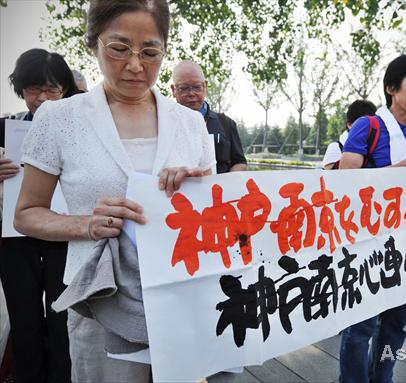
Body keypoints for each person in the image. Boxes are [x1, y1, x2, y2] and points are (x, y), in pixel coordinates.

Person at [13, 1, 215, 381]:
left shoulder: (190, 124)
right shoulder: (59, 118)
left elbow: (217, 214)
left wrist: (198, 184)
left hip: (182, 299)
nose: (136, 65)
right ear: (94, 44)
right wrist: (87, 224)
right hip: (102, 303)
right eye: (119, 48)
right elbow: (26, 213)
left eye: (151, 52)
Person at [338, 54, 406, 383]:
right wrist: (399, 172)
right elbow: (345, 178)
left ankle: (383, 377)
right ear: (392, 88)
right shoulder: (370, 126)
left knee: (396, 323)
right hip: (368, 246)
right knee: (361, 326)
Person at [0, 48, 79, 383]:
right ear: (21, 90)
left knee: (65, 321)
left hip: (63, 237)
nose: (44, 98)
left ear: (65, 90)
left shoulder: (80, 132)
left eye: (53, 89)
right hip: (15, 241)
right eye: (35, 89)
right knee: (24, 320)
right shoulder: (6, 129)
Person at [171, 60, 247, 174]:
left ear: (205, 86)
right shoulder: (163, 123)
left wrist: (229, 182)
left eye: (196, 87)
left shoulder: (225, 123)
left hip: (219, 190)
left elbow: (240, 162)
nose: (191, 93)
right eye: (184, 88)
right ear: (173, 90)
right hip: (180, 190)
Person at [323, 99, 376, 170]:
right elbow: (329, 176)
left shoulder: (379, 146)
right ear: (349, 124)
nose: (366, 128)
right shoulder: (335, 147)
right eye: (361, 124)